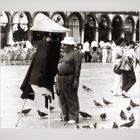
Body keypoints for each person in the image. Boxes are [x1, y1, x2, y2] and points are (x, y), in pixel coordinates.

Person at [55, 37, 82, 124]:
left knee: (71, 97)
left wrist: (76, 80)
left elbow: (78, 68)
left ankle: (73, 117)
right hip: (60, 77)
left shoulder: (75, 54)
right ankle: (64, 115)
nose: (63, 46)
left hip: (69, 77)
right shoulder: (64, 54)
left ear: (70, 46)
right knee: (61, 97)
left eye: (65, 45)